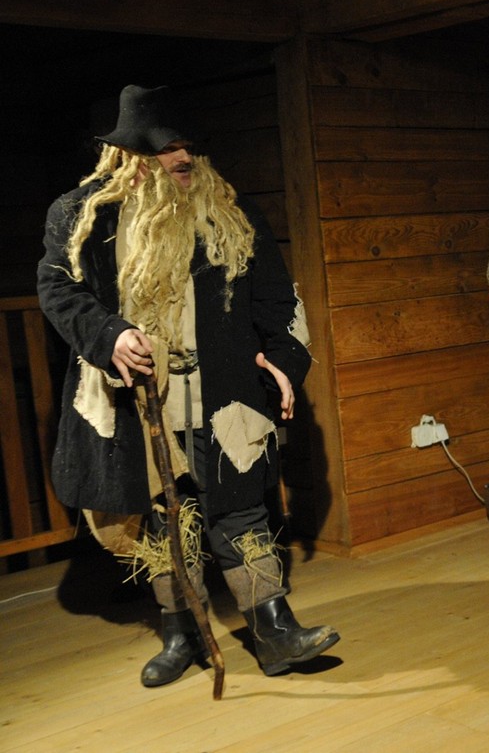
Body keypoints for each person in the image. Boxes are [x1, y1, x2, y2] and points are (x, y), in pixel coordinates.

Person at [37, 84, 339, 687]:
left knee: (242, 510)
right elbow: (58, 289)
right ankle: (182, 632)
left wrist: (284, 360)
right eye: (164, 148)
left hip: (222, 391)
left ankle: (274, 629)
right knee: (162, 518)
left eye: (187, 146)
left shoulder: (230, 212)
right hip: (136, 396)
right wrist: (109, 335)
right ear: (127, 156)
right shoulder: (81, 214)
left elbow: (278, 300)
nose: (182, 158)